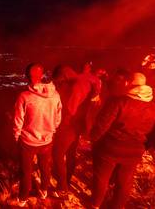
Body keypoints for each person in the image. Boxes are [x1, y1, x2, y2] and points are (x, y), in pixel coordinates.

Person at [90, 72, 155, 209]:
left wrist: (94, 140)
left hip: (111, 148)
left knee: (102, 178)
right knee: (125, 182)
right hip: (135, 150)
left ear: (129, 83)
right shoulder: (152, 107)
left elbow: (102, 124)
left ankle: (95, 205)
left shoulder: (119, 101)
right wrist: (144, 146)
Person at [9, 63, 62, 207]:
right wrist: (50, 131)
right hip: (47, 140)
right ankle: (44, 190)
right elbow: (58, 118)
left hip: (28, 141)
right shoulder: (55, 95)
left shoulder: (24, 96)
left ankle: (23, 198)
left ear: (27, 76)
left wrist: (16, 136)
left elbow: (18, 120)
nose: (32, 78)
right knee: (45, 167)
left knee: (26, 172)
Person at [52, 65, 99, 197]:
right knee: (71, 152)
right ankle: (67, 179)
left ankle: (62, 187)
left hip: (69, 125)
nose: (58, 82)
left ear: (64, 76)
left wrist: (60, 123)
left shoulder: (76, 86)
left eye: (59, 79)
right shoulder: (86, 81)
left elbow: (70, 109)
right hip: (79, 124)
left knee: (57, 154)